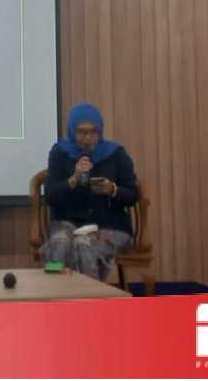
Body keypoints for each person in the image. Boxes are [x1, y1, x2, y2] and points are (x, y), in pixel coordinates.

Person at [43, 102, 139, 281]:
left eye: (93, 132)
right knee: (61, 242)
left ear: (100, 131)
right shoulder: (60, 154)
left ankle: (89, 295)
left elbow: (132, 194)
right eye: (81, 132)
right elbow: (50, 195)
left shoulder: (116, 154)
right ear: (72, 131)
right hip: (69, 222)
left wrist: (113, 190)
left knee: (83, 244)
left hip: (109, 224)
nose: (87, 137)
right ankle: (57, 292)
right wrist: (73, 180)